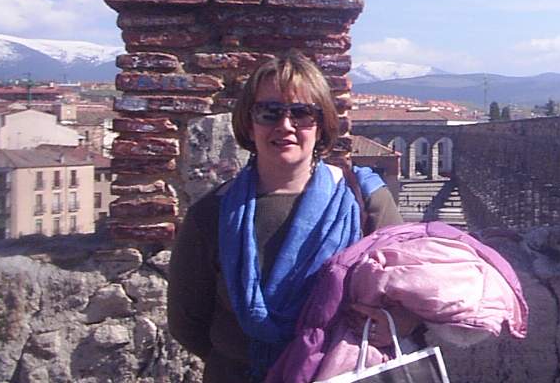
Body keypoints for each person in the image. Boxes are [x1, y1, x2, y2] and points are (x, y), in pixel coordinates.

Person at [167, 51, 404, 383]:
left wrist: (396, 323)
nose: (285, 125)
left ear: (321, 124)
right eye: (269, 112)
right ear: (249, 124)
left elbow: (407, 297)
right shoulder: (210, 215)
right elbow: (186, 323)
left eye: (302, 113)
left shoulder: (365, 201)